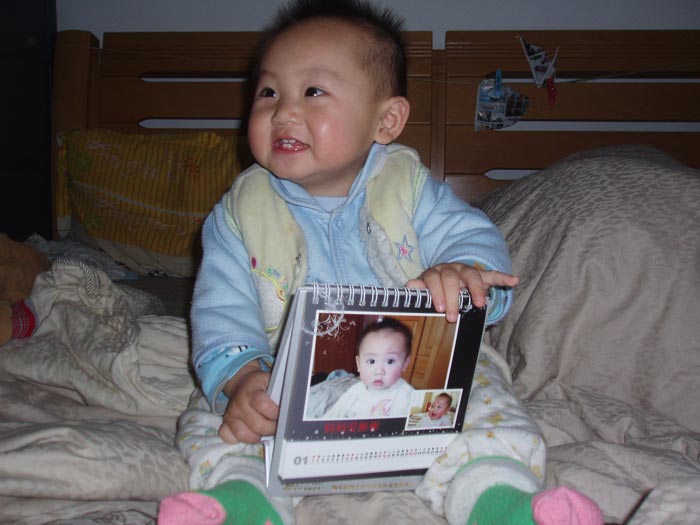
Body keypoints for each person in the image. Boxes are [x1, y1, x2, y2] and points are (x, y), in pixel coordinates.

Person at [157, 1, 604, 524]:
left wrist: (460, 271)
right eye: (268, 92)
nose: (282, 112)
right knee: (219, 422)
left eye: (313, 91)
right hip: (284, 372)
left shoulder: (408, 188)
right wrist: (240, 378)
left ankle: (497, 500)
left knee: (487, 402)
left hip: (420, 370)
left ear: (386, 120)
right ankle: (244, 500)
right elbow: (221, 307)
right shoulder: (239, 212)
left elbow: (473, 242)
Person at [324, 317, 415, 419]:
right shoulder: (355, 391)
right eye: (371, 361)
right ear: (359, 364)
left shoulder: (407, 395)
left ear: (405, 364)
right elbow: (331, 416)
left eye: (390, 361)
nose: (379, 371)